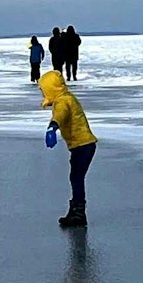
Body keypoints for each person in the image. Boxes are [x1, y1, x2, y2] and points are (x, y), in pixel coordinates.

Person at [38, 70, 97, 228]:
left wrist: (53, 127)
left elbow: (61, 114)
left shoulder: (63, 101)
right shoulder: (65, 98)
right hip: (82, 146)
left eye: (43, 89)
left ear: (51, 88)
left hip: (83, 145)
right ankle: (76, 210)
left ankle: (78, 213)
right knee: (75, 177)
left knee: (76, 178)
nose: (42, 92)